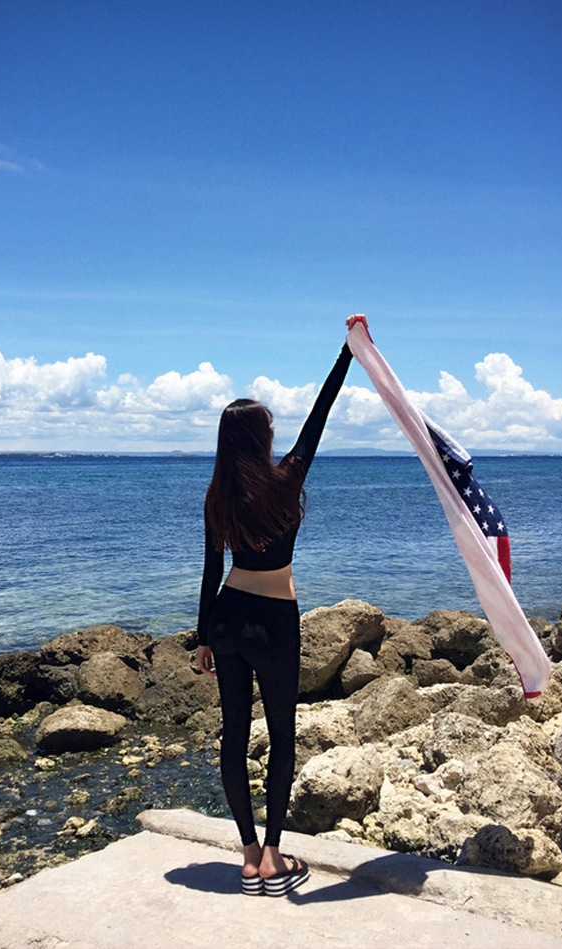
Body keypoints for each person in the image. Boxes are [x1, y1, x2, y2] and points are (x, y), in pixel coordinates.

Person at [196, 315, 367, 897]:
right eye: (269, 426)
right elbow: (321, 414)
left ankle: (246, 855)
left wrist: (202, 637)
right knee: (282, 735)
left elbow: (211, 572)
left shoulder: (217, 494)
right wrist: (348, 352)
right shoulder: (287, 477)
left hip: (227, 618)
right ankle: (272, 855)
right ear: (260, 438)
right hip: (274, 621)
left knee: (233, 735)